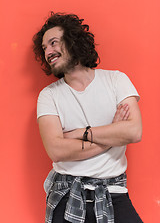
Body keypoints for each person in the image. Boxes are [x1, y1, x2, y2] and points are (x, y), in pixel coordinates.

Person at [33, 12, 143, 223]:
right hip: (67, 193)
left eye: (53, 43)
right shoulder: (49, 95)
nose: (48, 52)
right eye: (44, 48)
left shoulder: (116, 80)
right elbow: (56, 150)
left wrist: (79, 134)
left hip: (114, 192)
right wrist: (111, 135)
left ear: (73, 41)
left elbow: (133, 131)